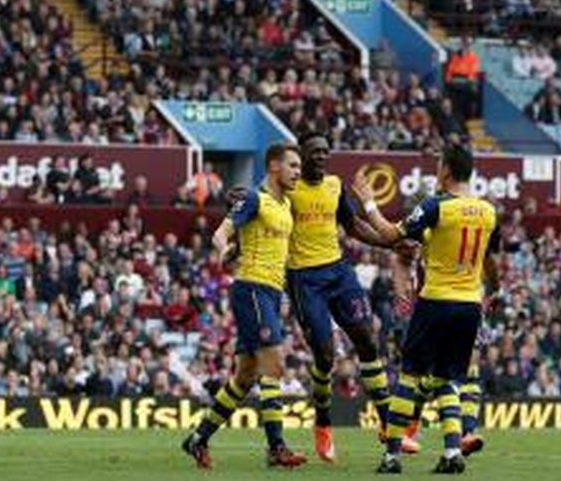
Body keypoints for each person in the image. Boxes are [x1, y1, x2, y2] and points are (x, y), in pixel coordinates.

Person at [351, 144, 500, 474]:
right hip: (469, 307)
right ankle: (451, 453)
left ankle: (392, 457)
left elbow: (390, 233)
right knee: (448, 379)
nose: (436, 171)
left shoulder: (438, 207)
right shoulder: (488, 211)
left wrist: (368, 202)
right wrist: (497, 289)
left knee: (409, 378)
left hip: (435, 301)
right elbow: (491, 261)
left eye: (438, 166)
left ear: (446, 171)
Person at [285, 132, 418, 463]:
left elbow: (354, 226)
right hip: (305, 280)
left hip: (339, 273)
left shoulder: (334, 186)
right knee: (326, 356)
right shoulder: (287, 190)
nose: (320, 156)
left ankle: (388, 424)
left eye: (325, 152)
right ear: (301, 154)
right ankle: (323, 423)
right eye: (314, 151)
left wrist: (390, 244)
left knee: (368, 343)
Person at [181, 144, 306, 470]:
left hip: (271, 293)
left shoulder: (286, 204)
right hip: (251, 288)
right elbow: (221, 234)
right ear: (274, 166)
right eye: (292, 165)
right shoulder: (254, 198)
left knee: (244, 377)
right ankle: (276, 447)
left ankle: (198, 438)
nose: (298, 171)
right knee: (273, 362)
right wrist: (225, 251)